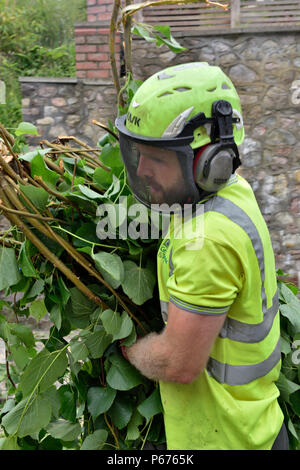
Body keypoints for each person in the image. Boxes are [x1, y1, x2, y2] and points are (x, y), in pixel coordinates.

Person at [115, 62, 289, 450]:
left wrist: (131, 352)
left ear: (213, 161)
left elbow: (178, 363)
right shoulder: (226, 193)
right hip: (247, 425)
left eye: (157, 159)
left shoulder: (209, 238)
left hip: (228, 440)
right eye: (138, 154)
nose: (142, 171)